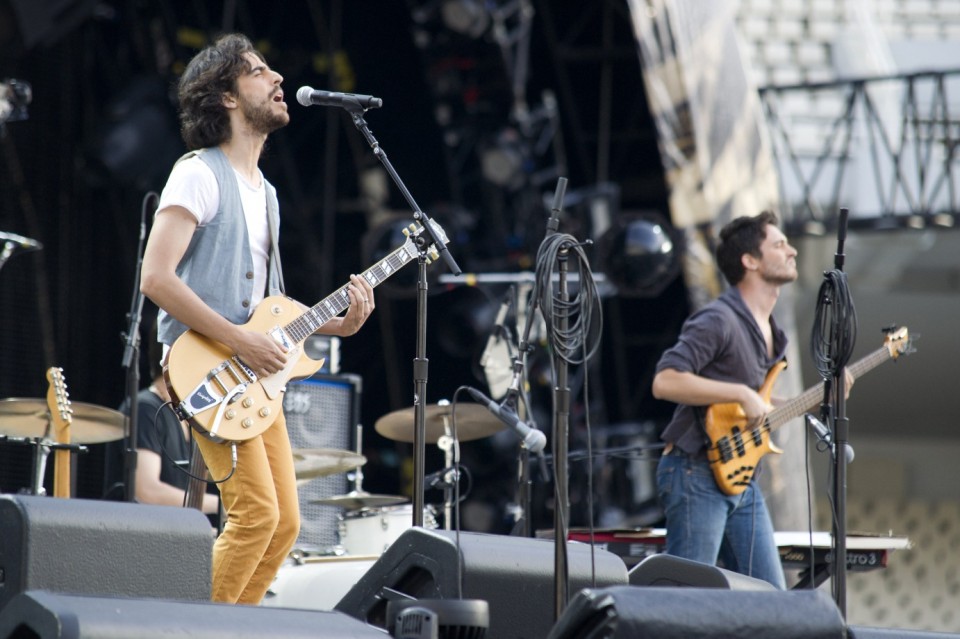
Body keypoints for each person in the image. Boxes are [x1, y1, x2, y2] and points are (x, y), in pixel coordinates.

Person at [140, 33, 374, 605]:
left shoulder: (266, 194)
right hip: (205, 370)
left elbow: (269, 310)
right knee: (254, 517)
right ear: (226, 96)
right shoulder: (198, 173)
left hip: (251, 375)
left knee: (285, 524)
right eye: (259, 71)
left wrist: (335, 325)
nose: (277, 79)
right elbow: (156, 279)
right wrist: (240, 342)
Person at [652, 210, 839, 590]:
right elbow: (665, 381)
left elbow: (753, 409)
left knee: (770, 601)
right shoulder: (719, 319)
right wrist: (740, 392)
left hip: (741, 478)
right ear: (750, 261)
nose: (792, 251)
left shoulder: (770, 332)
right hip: (694, 470)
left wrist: (816, 399)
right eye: (779, 244)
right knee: (685, 600)